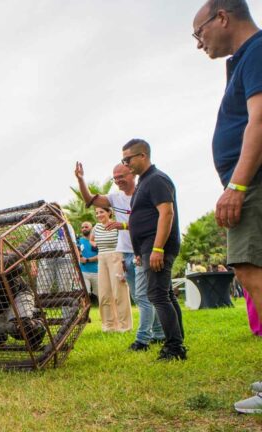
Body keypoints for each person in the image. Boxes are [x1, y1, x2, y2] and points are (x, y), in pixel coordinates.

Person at [193, 0, 262, 412]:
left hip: (253, 181)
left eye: (199, 33)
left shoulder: (256, 50)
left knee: (250, 269)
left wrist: (236, 184)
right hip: (249, 180)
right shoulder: (244, 59)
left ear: (222, 17)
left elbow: (260, 120)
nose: (199, 43)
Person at [75, 162, 165, 350]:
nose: (117, 181)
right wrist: (81, 180)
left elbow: (151, 223)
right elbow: (90, 199)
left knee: (142, 295)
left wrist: (124, 226)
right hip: (125, 252)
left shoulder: (143, 194)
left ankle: (142, 339)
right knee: (138, 294)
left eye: (120, 177)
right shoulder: (115, 198)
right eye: (115, 178)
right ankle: (159, 332)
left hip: (142, 250)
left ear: (132, 173)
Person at [123, 139, 185, 361]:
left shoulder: (157, 179)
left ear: (143, 155)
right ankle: (178, 339)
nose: (125, 163)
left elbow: (166, 213)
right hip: (148, 247)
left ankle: (174, 348)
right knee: (165, 293)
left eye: (127, 158)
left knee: (157, 295)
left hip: (158, 246)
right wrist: (140, 251)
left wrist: (158, 248)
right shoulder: (144, 182)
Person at [90, 207, 132, 332]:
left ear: (109, 212)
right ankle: (109, 326)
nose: (98, 215)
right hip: (101, 259)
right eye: (97, 213)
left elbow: (126, 241)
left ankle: (125, 326)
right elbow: (91, 239)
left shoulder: (116, 225)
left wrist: (124, 263)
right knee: (104, 294)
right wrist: (95, 244)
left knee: (120, 293)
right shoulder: (96, 227)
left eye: (101, 212)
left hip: (116, 257)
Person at [77, 221, 99, 298]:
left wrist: (87, 260)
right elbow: (75, 255)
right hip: (83, 272)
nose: (84, 229)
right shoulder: (78, 241)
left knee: (100, 295)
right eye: (82, 227)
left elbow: (101, 256)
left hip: (97, 272)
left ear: (92, 228)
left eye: (86, 227)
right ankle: (85, 309)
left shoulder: (97, 241)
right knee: (84, 295)